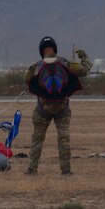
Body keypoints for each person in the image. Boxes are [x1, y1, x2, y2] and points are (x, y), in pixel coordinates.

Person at [24, 36, 92, 175]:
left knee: (37, 140)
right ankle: (66, 171)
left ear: (41, 50)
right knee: (64, 139)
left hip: (42, 109)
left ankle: (32, 170)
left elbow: (27, 79)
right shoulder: (66, 63)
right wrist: (83, 56)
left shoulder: (36, 66)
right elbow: (85, 70)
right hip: (62, 108)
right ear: (55, 48)